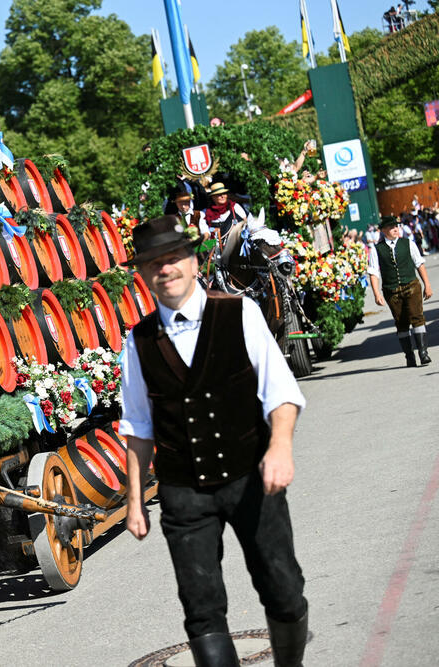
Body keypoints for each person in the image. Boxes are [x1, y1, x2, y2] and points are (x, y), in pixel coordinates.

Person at [119, 216, 309, 667]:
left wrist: (280, 447)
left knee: (283, 589)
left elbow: (280, 392)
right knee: (201, 609)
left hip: (251, 478)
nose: (165, 270)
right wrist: (133, 502)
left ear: (192, 261)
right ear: (142, 275)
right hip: (184, 494)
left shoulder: (239, 312)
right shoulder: (137, 341)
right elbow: (138, 427)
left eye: (173, 259)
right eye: (153, 264)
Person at [368, 215, 432, 367]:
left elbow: (419, 264)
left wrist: (427, 285)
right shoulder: (376, 250)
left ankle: (423, 353)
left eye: (396, 226)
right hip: (392, 291)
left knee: (417, 318)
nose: (395, 229)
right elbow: (373, 273)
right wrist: (377, 294)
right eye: (391, 227)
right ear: (383, 231)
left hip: (411, 286)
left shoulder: (408, 243)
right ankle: (409, 356)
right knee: (401, 323)